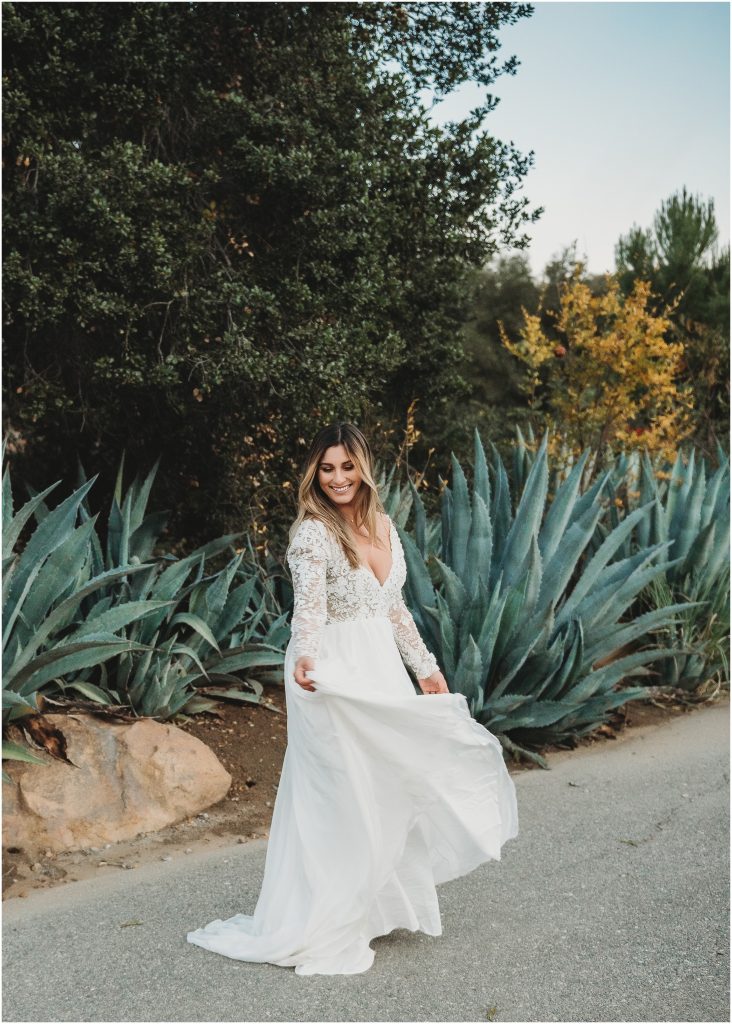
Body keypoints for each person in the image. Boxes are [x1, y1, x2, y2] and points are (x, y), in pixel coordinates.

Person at [186, 421, 518, 975]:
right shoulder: (312, 533)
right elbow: (308, 609)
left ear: (364, 468)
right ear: (314, 473)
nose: (338, 478)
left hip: (381, 667)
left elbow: (394, 609)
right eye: (327, 468)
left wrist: (427, 670)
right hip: (333, 672)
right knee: (342, 795)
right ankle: (328, 917)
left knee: (388, 787)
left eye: (347, 466)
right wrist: (308, 658)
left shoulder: (384, 525)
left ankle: (372, 909)